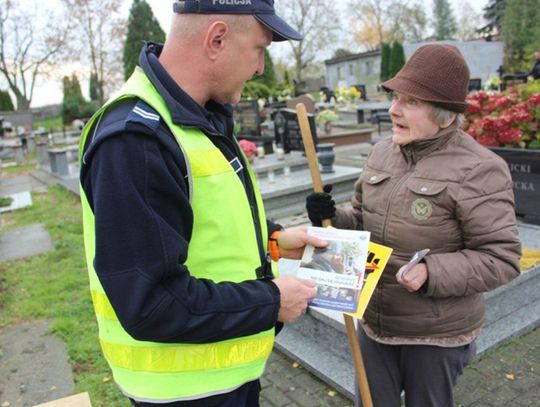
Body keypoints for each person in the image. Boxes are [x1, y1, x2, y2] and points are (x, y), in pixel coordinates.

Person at [79, 1, 327, 405]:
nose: (261, 68)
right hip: (186, 393)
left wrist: (275, 240)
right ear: (217, 39)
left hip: (223, 379)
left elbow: (198, 223)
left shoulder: (193, 118)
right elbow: (151, 300)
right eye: (260, 49)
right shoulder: (135, 141)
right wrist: (273, 300)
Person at [306, 44, 521, 407]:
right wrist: (330, 216)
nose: (393, 110)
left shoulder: (480, 169)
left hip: (435, 338)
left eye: (411, 102)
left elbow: (502, 258)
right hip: (374, 324)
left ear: (445, 115)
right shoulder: (381, 152)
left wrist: (431, 272)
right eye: (395, 98)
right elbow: (361, 220)